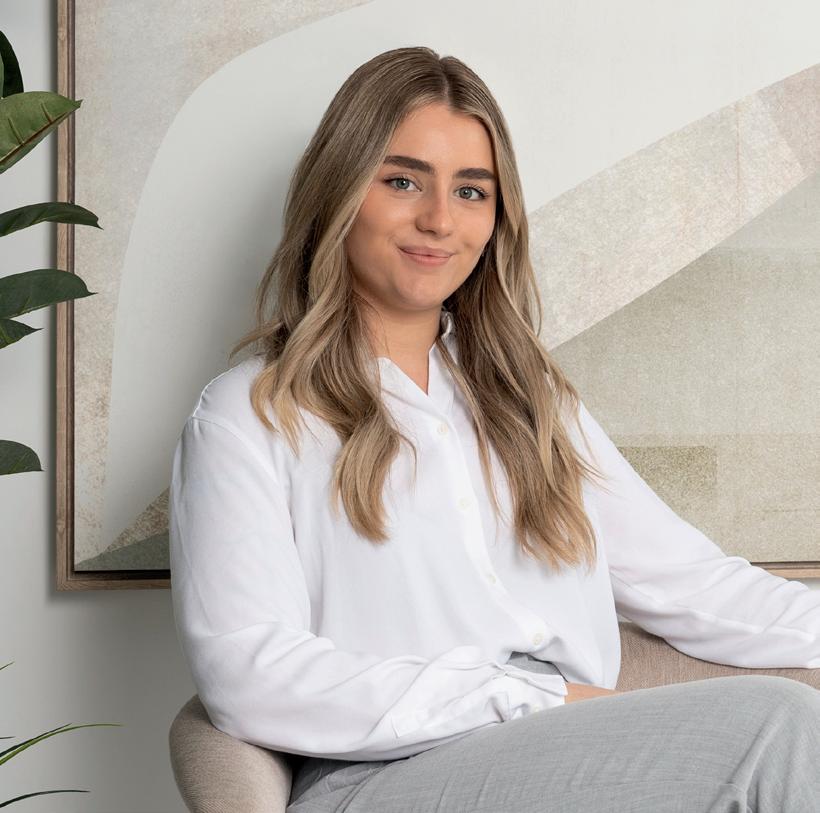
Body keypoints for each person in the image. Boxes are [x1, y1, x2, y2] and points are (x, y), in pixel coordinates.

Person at [168, 46, 820, 812]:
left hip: (566, 756)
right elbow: (249, 670)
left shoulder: (529, 402)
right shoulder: (248, 416)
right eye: (403, 180)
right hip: (380, 777)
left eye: (471, 190)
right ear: (339, 191)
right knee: (779, 726)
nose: (440, 219)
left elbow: (695, 585)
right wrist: (523, 696)